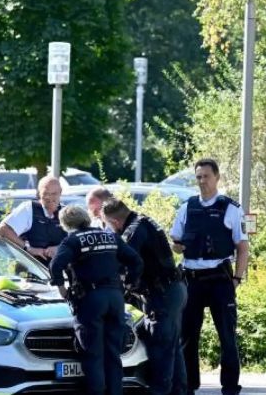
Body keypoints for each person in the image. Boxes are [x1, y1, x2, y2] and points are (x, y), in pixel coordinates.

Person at [170, 158, 249, 395]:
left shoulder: (231, 208)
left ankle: (230, 387)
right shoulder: (187, 207)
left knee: (227, 336)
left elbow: (242, 248)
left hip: (219, 280)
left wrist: (236, 279)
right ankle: (188, 386)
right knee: (187, 336)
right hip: (191, 278)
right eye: (199, 177)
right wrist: (178, 247)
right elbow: (175, 241)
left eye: (206, 176)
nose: (202, 181)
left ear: (217, 178)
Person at [49, 205, 143, 395]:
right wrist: (129, 285)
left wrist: (61, 289)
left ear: (66, 224)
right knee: (113, 354)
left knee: (93, 355)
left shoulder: (72, 241)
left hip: (91, 300)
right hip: (115, 298)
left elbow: (55, 265)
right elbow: (136, 261)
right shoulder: (110, 236)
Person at [102, 198, 188, 395]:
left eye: (108, 224)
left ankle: (161, 391)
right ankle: (179, 390)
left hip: (162, 295)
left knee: (161, 351)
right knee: (170, 347)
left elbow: (127, 262)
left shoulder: (132, 232)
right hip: (173, 289)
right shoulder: (144, 221)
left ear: (114, 222)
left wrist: (120, 285)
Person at [0, 175, 65, 266]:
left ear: (60, 193)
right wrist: (28, 248)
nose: (50, 197)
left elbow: (78, 241)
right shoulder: (29, 209)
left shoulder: (66, 212)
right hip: (32, 271)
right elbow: (3, 230)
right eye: (46, 193)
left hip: (60, 272)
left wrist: (59, 248)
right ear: (39, 194)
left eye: (54, 194)